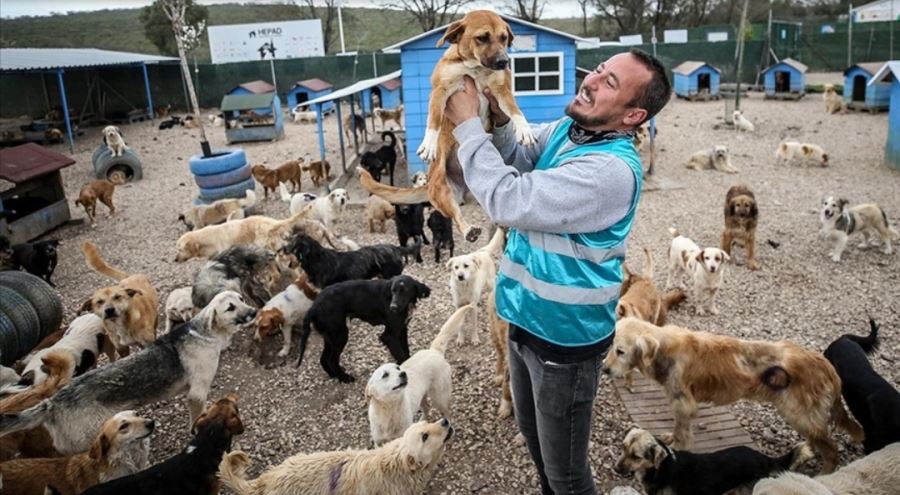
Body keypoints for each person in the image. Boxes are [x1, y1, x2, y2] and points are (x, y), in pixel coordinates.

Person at [443, 48, 671, 495]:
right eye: (599, 70)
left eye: (609, 83)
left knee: (566, 474)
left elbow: (510, 199)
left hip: (563, 343)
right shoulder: (572, 129)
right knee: (535, 442)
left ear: (633, 115)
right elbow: (517, 152)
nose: (590, 80)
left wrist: (469, 125)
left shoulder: (610, 171)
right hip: (522, 320)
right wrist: (497, 114)